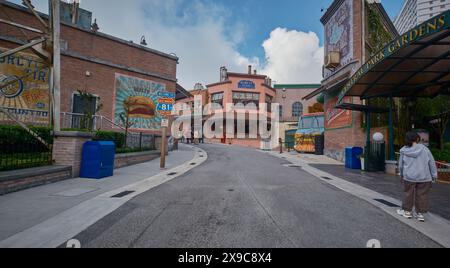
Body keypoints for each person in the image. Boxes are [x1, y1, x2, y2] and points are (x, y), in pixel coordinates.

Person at [397, 131, 438, 222]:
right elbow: (431, 162)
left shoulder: (404, 150)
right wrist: (434, 175)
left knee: (408, 194)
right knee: (422, 195)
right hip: (424, 177)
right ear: (417, 139)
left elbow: (401, 165)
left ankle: (407, 212)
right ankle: (420, 214)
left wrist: (401, 174)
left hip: (409, 177)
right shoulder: (425, 149)